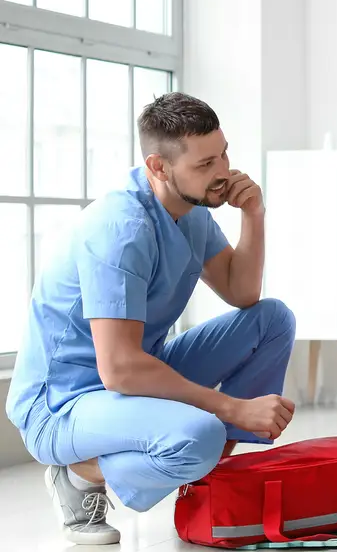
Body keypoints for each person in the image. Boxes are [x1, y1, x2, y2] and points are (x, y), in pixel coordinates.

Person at [4, 92, 297, 546]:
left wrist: (254, 214)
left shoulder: (191, 210)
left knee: (272, 319)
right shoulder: (120, 229)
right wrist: (231, 406)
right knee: (198, 433)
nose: (222, 173)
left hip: (134, 374)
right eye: (205, 165)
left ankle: (209, 471)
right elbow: (118, 368)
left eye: (223, 155)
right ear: (159, 167)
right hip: (64, 403)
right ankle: (78, 473)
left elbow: (243, 293)